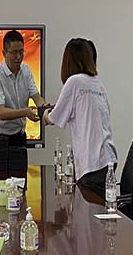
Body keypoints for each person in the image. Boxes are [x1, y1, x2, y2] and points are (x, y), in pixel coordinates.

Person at [43, 38, 118, 194]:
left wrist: (44, 114)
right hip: (108, 158)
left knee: (88, 206)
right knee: (100, 205)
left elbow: (53, 118)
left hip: (92, 163)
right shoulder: (98, 84)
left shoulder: (74, 82)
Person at [0, 29, 48, 147]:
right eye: (14, 52)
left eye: (21, 52)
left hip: (20, 135)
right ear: (4, 53)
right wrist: (25, 112)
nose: (19, 56)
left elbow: (36, 97)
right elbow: (1, 113)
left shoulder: (26, 70)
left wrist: (44, 109)